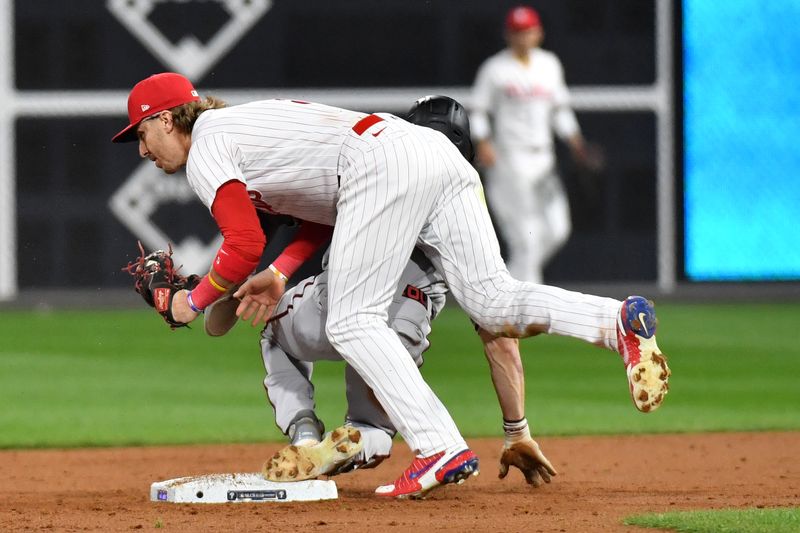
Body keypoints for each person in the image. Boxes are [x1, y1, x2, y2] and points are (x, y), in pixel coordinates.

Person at [112, 72, 670, 499]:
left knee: (352, 320)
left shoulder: (207, 145)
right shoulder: (240, 132)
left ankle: (440, 448)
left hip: (379, 163)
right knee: (493, 300)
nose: (141, 150)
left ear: (166, 119)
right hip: (430, 156)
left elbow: (241, 244)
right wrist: (280, 274)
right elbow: (319, 213)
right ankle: (616, 321)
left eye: (140, 134)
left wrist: (191, 301)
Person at [237, 97, 554, 488]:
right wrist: (516, 430)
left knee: (273, 329)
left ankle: (304, 433)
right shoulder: (464, 211)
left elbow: (313, 225)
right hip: (403, 328)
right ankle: (366, 439)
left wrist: (273, 270)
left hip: (335, 308)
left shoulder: (376, 166)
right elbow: (498, 339)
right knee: (373, 424)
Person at [470, 5, 604, 283]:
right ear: (508, 35)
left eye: (528, 31)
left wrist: (576, 143)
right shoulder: (495, 69)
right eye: (518, 32)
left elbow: (560, 111)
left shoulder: (550, 65)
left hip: (544, 160)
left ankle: (503, 285)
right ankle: (526, 312)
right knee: (526, 239)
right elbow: (478, 111)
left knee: (558, 229)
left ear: (539, 33)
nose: (523, 37)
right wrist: (482, 141)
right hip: (510, 160)